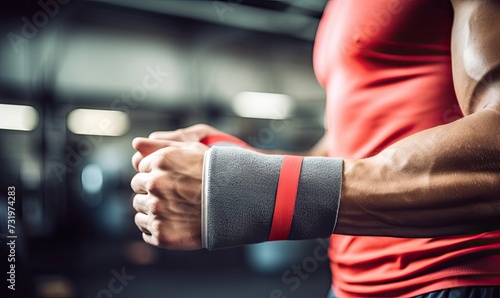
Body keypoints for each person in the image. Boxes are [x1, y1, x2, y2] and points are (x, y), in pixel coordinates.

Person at [130, 0, 500, 297]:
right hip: (348, 282)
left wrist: (243, 189)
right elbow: (345, 151)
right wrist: (239, 165)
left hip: (455, 275)